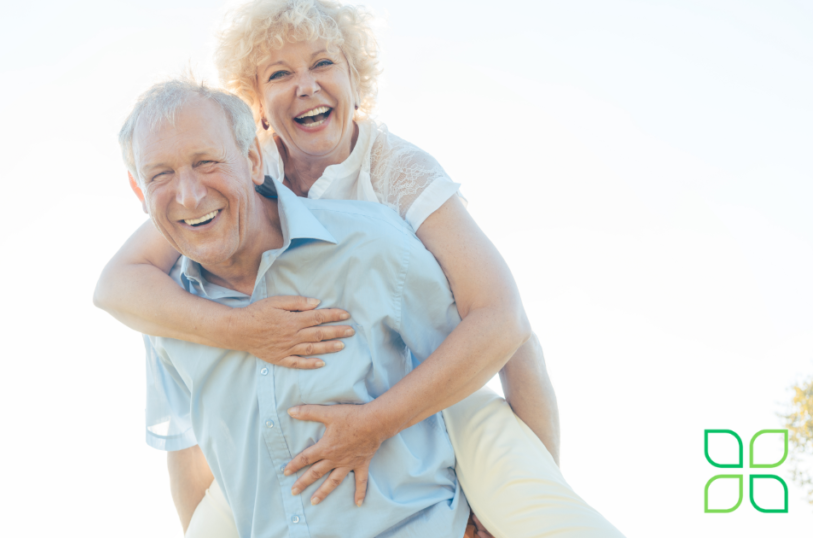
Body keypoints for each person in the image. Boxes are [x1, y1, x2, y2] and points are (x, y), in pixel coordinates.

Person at [96, 0, 561, 514]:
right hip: (305, 420)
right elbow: (118, 284)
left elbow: (502, 321)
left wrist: (379, 426)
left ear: (355, 78)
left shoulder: (395, 170)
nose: (306, 86)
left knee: (521, 428)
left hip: (435, 384)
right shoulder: (242, 172)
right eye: (279, 74)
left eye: (323, 64)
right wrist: (241, 329)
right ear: (256, 104)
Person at [120, 77, 622, 537]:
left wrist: (498, 511)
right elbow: (189, 455)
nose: (187, 194)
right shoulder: (164, 311)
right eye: (161, 174)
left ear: (253, 160)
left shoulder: (375, 241)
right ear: (139, 191)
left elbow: (496, 341)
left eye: (207, 162)